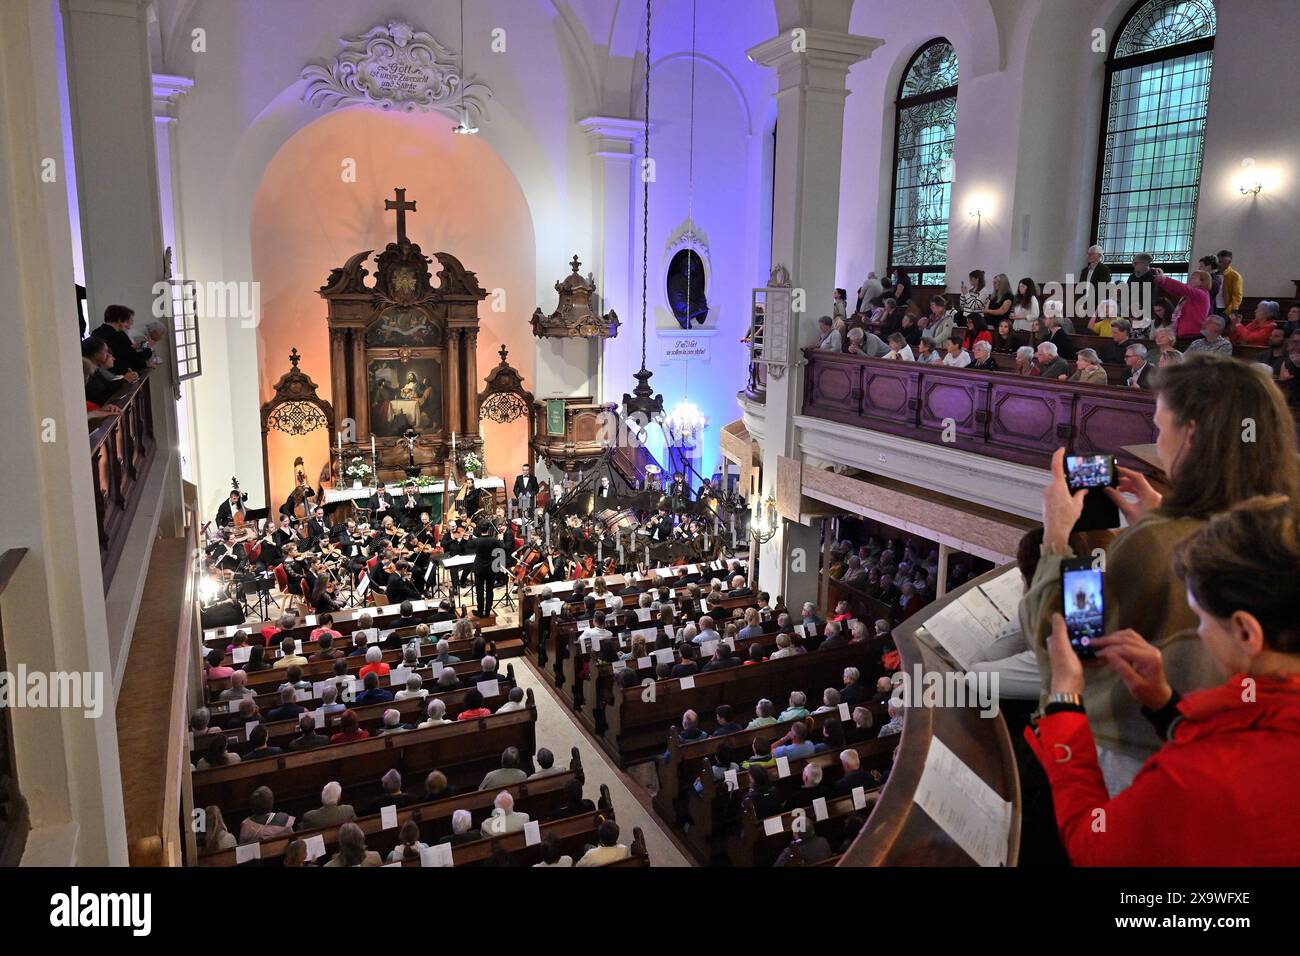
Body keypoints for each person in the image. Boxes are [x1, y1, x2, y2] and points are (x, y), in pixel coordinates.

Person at [1022, 356, 1300, 793]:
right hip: (1248, 754)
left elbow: (1068, 637)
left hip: (1141, 753)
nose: (1157, 440)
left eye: (1160, 425)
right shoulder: (1283, 521)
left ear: (1190, 433)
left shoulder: (1157, 542)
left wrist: (1058, 539)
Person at [1028, 496, 1300, 865]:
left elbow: (1093, 845)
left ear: (1245, 632)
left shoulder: (1196, 779)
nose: (1201, 632)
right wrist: (1164, 706)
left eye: (1200, 618)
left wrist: (1064, 700)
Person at [91, 304, 152, 375]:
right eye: (127, 321)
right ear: (120, 320)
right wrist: (148, 348)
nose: (129, 326)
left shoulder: (96, 332)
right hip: (119, 375)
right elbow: (133, 359)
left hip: (100, 375)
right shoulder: (118, 335)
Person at [1155, 268, 1211, 338]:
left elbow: (1182, 288)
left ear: (1202, 282)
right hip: (1183, 333)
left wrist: (1164, 279)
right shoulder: (1188, 297)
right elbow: (1176, 290)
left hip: (1194, 333)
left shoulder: (1201, 294)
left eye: (1193, 278)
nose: (1190, 280)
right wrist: (1161, 282)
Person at [1215, 249, 1243, 316]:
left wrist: (1227, 312)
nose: (1218, 264)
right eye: (1218, 261)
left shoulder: (1235, 276)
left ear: (1228, 262)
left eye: (1221, 262)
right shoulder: (1213, 275)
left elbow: (1237, 296)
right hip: (1213, 307)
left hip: (1226, 309)